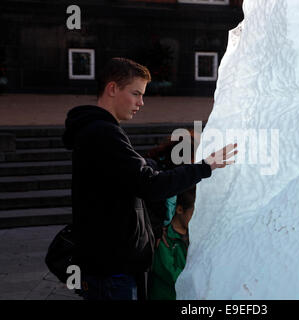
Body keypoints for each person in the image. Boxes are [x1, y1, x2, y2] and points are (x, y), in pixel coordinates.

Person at [62, 57, 237, 300]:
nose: (141, 103)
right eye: (135, 94)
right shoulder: (103, 133)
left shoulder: (97, 130)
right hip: (112, 268)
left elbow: (130, 177)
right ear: (112, 89)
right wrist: (205, 166)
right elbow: (150, 185)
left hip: (109, 264)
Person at [149, 186, 196, 300]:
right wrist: (195, 280)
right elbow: (169, 272)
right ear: (180, 210)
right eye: (192, 214)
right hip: (165, 295)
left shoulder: (194, 236)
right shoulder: (164, 238)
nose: (196, 218)